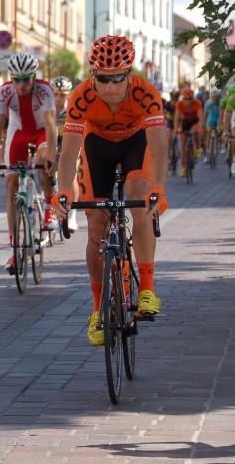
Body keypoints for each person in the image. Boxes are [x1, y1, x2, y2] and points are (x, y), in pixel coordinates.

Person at [51, 35, 167, 346]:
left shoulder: (147, 93)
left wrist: (159, 189)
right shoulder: (81, 96)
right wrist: (64, 191)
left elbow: (159, 150)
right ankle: (97, 310)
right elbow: (68, 154)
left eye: (118, 78)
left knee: (140, 199)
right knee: (95, 227)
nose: (111, 87)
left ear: (130, 74)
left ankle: (146, 290)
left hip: (136, 142)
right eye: (103, 79)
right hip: (97, 146)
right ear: (92, 76)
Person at [0, 52, 57, 274]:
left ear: (34, 76)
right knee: (12, 184)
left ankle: (49, 206)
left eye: (26, 79)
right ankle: (15, 250)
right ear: (11, 78)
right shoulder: (4, 92)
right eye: (17, 79)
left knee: (43, 160)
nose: (21, 85)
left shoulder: (45, 90)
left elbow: (51, 126)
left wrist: (52, 156)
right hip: (19, 132)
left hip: (42, 132)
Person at [51, 75, 79, 232]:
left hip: (70, 144)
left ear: (68, 94)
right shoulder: (48, 109)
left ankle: (72, 216)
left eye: (62, 94)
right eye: (55, 93)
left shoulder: (72, 110)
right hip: (52, 143)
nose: (58, 98)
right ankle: (52, 213)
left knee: (71, 175)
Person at [173, 85, 204, 177]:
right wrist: (176, 128)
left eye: (189, 99)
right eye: (185, 99)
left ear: (192, 98)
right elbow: (177, 117)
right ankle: (183, 167)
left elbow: (200, 117)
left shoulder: (197, 103)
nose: (187, 101)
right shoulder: (179, 104)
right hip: (185, 121)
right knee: (183, 143)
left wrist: (201, 127)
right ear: (183, 98)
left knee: (195, 131)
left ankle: (198, 147)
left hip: (195, 120)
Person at [203, 88, 222, 162]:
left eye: (216, 97)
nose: (214, 99)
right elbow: (205, 114)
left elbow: (223, 114)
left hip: (218, 118)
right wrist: (204, 123)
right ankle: (208, 153)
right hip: (211, 119)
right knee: (208, 134)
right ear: (211, 97)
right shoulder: (208, 103)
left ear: (218, 97)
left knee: (219, 131)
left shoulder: (221, 102)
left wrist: (221, 123)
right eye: (213, 97)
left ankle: (218, 142)